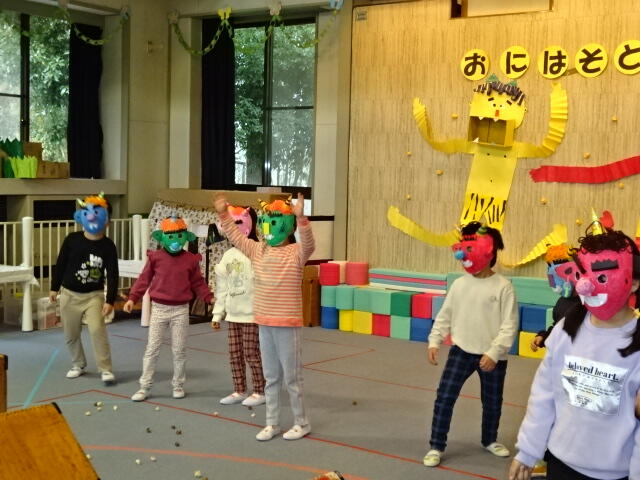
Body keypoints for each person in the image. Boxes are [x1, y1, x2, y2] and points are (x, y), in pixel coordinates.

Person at [510, 220, 640, 480]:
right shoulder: (565, 330)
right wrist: (528, 450)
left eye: (601, 277)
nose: (585, 286)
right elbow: (543, 394)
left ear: (634, 282)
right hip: (561, 462)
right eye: (582, 275)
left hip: (616, 473)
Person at [213, 193, 315, 441]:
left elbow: (309, 243)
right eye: (266, 223)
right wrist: (223, 214)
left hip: (287, 324)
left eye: (274, 222)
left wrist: (301, 217)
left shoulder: (296, 253)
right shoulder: (258, 250)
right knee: (271, 377)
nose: (269, 228)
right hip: (264, 323)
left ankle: (301, 422)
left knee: (292, 377)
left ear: (286, 226)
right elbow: (236, 237)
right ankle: (272, 423)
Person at [423, 221, 518, 467]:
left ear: (489, 252)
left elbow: (509, 325)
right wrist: (435, 340)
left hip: (492, 356)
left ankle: (489, 439)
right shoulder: (459, 284)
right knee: (445, 397)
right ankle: (436, 445)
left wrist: (494, 353)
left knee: (492, 402)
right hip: (461, 351)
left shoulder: (503, 287)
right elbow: (445, 315)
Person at [124, 216, 213, 401]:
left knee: (179, 350)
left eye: (179, 236)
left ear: (185, 237)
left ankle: (178, 385)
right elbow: (144, 279)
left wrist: (209, 297)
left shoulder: (190, 260)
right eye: (171, 236)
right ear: (163, 237)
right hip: (159, 310)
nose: (175, 241)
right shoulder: (156, 257)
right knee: (152, 349)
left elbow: (198, 282)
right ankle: (145, 386)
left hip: (180, 311)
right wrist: (133, 298)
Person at [49, 193, 118, 385]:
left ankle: (105, 369)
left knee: (97, 330)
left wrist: (110, 300)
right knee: (71, 333)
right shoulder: (72, 240)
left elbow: (113, 274)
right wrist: (54, 288)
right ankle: (78, 363)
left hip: (94, 296)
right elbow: (60, 264)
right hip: (69, 294)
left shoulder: (108, 246)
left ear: (107, 222)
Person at [212, 205, 266, 407]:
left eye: (238, 224)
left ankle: (260, 391)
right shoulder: (228, 256)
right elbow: (222, 287)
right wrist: (217, 314)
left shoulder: (257, 250)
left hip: (252, 315)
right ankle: (239, 390)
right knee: (235, 355)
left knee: (252, 354)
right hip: (233, 315)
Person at [530, 243, 581, 352]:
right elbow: (557, 328)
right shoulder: (562, 302)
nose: (554, 282)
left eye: (559, 275)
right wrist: (543, 337)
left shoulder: (586, 305)